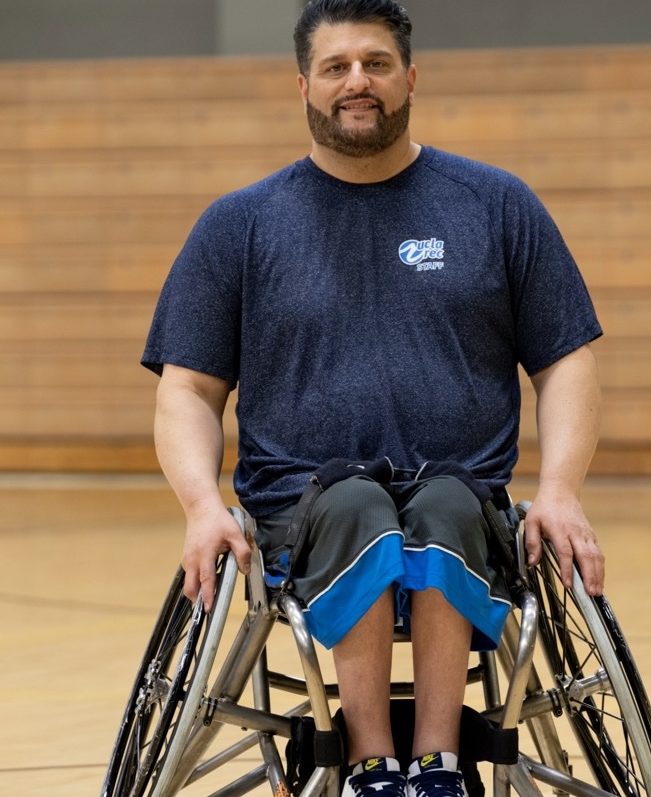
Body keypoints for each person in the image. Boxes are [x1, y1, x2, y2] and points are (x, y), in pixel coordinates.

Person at [142, 1, 605, 795]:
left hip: (463, 498)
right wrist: (198, 505)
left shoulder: (495, 205)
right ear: (303, 86)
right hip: (301, 505)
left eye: (376, 64)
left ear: (410, 77)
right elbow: (187, 387)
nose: (357, 82)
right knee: (357, 501)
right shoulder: (240, 225)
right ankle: (367, 762)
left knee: (449, 504)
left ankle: (434, 762)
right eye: (335, 67)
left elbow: (566, 360)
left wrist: (559, 491)